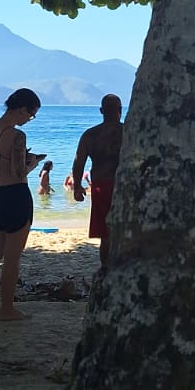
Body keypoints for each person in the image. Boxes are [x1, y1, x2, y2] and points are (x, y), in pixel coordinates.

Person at [0, 88, 46, 320]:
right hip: (16, 195)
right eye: (31, 115)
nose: (29, 120)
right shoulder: (16, 136)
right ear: (21, 109)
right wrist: (32, 163)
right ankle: (7, 309)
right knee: (12, 257)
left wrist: (3, 160)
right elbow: (18, 173)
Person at [71, 94, 124, 271]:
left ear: (101, 111)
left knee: (106, 234)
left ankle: (106, 269)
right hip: (124, 186)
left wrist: (77, 187)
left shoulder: (90, 135)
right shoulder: (128, 132)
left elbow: (79, 163)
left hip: (101, 185)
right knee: (124, 230)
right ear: (120, 110)